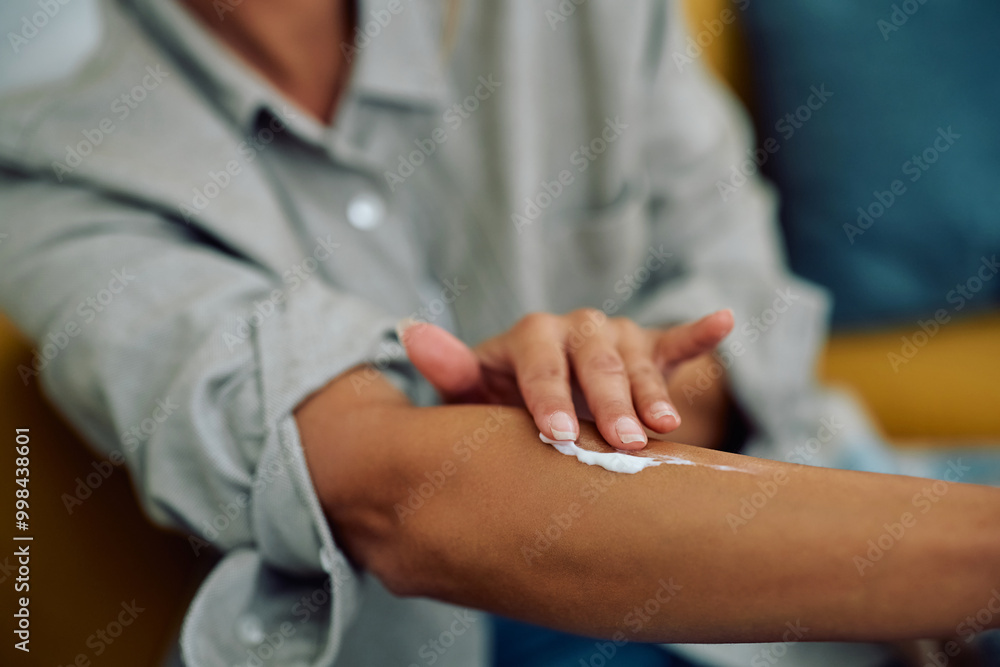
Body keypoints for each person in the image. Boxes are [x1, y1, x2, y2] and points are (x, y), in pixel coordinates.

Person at [0, 1, 997, 666]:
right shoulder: (50, 147)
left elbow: (743, 312)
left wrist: (627, 384)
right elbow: (399, 503)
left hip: (853, 493)